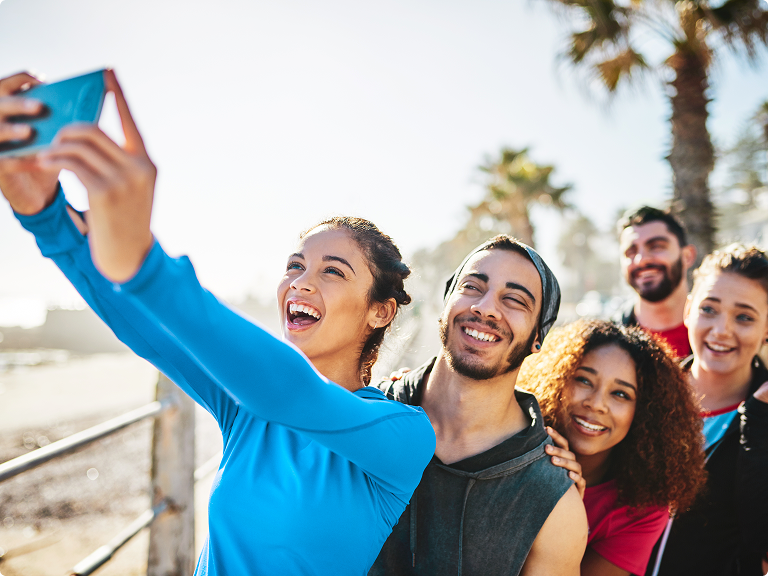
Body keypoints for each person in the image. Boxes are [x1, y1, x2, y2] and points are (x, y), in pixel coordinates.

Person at [0, 70, 436, 575]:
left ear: (380, 310)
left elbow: (294, 393)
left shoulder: (403, 436)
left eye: (333, 271)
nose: (300, 282)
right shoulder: (249, 408)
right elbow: (147, 331)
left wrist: (143, 265)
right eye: (295, 266)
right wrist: (44, 213)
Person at [369, 237, 588, 576]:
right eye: (472, 286)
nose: (486, 308)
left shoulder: (553, 501)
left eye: (514, 300)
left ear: (537, 337)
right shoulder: (369, 415)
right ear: (446, 301)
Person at [518, 319, 707, 576]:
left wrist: (564, 512)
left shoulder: (644, 506)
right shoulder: (514, 440)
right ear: (558, 380)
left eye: (620, 394)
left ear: (645, 413)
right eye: (584, 380)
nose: (596, 404)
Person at [645, 244, 768, 576]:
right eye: (709, 309)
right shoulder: (642, 393)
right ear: (688, 310)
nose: (722, 330)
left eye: (744, 317)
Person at [615, 206, 697, 358]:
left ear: (687, 256)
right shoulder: (607, 342)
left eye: (656, 246)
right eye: (631, 252)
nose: (642, 259)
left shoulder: (717, 338)